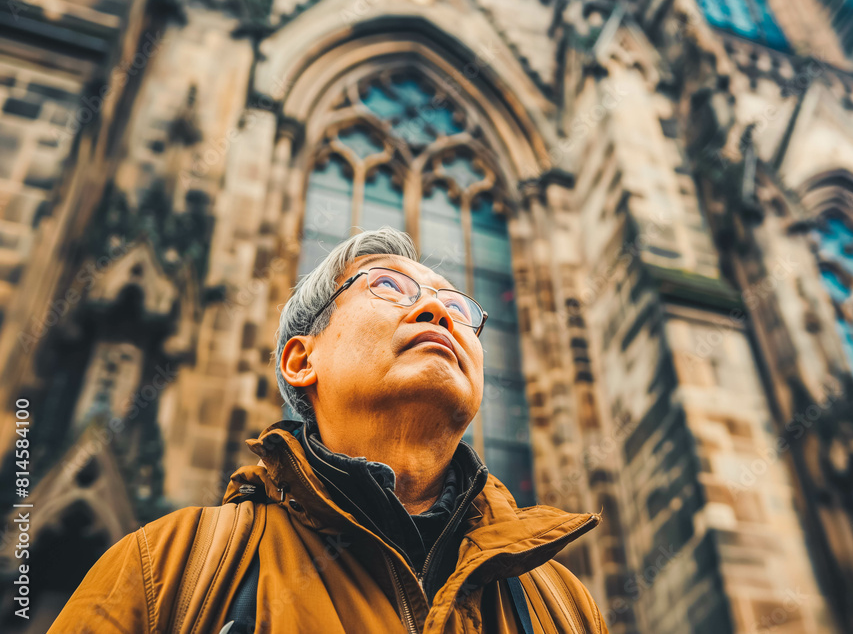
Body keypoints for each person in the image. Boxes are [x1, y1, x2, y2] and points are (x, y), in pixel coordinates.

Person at [50, 226, 607, 633]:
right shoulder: (166, 569)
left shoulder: (564, 606)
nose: (437, 312)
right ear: (300, 360)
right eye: (389, 286)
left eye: (458, 306)